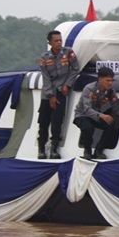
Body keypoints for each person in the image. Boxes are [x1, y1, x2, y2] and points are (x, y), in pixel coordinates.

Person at [37, 30, 79, 159]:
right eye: (56, 41)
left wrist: (68, 84)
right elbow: (46, 79)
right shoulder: (44, 58)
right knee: (43, 122)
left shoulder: (68, 53)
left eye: (60, 40)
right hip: (48, 94)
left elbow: (75, 69)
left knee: (57, 121)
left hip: (62, 91)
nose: (59, 43)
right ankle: (41, 148)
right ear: (50, 43)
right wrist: (50, 96)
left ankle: (54, 148)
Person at [73, 67, 119, 160]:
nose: (110, 83)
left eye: (111, 81)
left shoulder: (110, 92)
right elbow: (86, 109)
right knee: (88, 128)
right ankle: (87, 151)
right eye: (107, 80)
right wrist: (101, 115)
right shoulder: (89, 89)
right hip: (82, 115)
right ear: (100, 79)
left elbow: (116, 108)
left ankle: (98, 150)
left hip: (95, 116)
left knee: (110, 125)